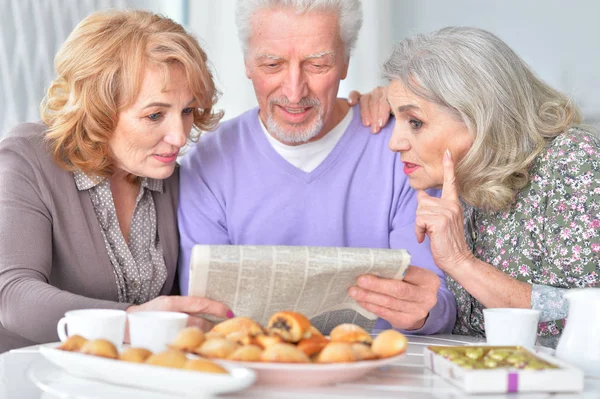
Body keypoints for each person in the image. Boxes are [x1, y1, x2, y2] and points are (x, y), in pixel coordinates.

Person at [178, 0, 456, 335]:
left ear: (345, 63)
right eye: (272, 64)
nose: (294, 92)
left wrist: (424, 313)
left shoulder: (402, 153)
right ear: (247, 64)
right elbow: (204, 315)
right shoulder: (206, 163)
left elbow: (438, 304)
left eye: (318, 64)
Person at [0, 10, 233, 353]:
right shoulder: (30, 158)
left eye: (186, 110)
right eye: (155, 115)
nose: (179, 137)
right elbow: (13, 297)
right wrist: (132, 321)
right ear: (99, 109)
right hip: (33, 376)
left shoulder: (168, 177)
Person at [361, 26, 599, 347]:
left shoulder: (571, 158)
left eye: (414, 122)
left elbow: (586, 315)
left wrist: (461, 263)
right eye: (396, 119)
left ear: (478, 116)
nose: (394, 143)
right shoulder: (459, 181)